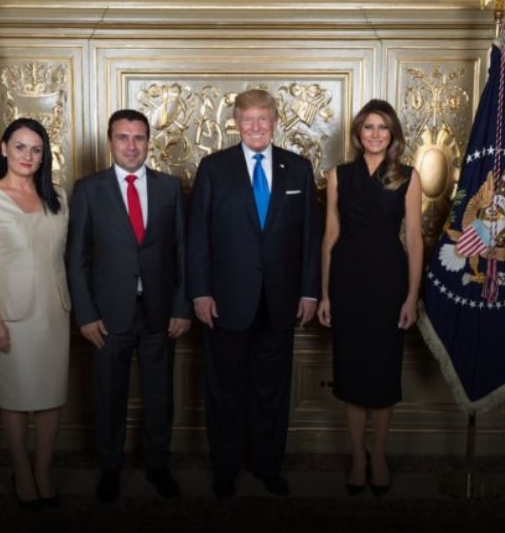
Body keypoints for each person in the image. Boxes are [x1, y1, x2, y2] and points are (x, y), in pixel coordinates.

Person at [187, 89, 321, 499]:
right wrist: (200, 292)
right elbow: (198, 236)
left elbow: (310, 238)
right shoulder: (214, 168)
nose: (256, 126)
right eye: (248, 120)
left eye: (263, 118)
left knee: (272, 392)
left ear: (275, 121)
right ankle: (225, 469)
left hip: (280, 302)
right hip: (225, 301)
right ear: (236, 123)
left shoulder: (298, 168)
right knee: (225, 391)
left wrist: (309, 292)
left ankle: (268, 466)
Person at [67, 109, 191, 504]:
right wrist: (86, 314)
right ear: (110, 142)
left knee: (160, 395)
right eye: (123, 137)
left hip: (160, 312)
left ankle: (158, 465)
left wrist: (182, 307)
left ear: (148, 142)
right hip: (107, 314)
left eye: (139, 138)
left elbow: (182, 253)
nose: (131, 145)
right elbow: (76, 258)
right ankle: (110, 467)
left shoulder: (170, 188)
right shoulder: (89, 189)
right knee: (108, 395)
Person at [317, 99, 423, 496]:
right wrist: (325, 294)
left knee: (382, 372)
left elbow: (414, 240)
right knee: (351, 372)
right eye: (368, 127)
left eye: (383, 127)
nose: (375, 134)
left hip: (388, 283)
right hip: (347, 283)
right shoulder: (339, 175)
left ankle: (378, 454)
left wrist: (411, 297)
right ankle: (357, 456)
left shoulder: (407, 176)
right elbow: (330, 237)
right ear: (358, 134)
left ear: (392, 134)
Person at [0, 117, 70, 509]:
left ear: (44, 156)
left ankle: (43, 471)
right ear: (5, 149)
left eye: (36, 149)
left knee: (51, 395)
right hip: (11, 317)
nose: (28, 155)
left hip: (55, 311)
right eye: (20, 147)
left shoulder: (58, 197)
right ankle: (22, 473)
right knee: (17, 397)